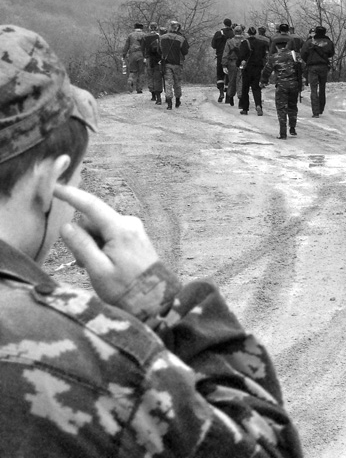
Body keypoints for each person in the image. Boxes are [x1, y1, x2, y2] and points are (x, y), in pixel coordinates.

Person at [0, 24, 303, 457]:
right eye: (78, 176)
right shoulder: (84, 353)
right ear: (49, 183)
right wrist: (160, 302)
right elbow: (268, 447)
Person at [261, 37, 304, 139]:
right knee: (292, 106)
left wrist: (263, 81)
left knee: (281, 109)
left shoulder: (274, 57)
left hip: (281, 85)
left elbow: (267, 71)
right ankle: (292, 128)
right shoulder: (295, 55)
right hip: (294, 84)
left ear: (276, 46)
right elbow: (303, 67)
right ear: (286, 45)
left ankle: (283, 133)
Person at [300, 25, 335, 118]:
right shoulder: (328, 42)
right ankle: (321, 108)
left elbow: (303, 54)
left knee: (313, 89)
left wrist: (308, 60)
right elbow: (331, 53)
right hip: (323, 67)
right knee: (322, 88)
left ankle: (315, 112)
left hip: (312, 67)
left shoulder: (309, 42)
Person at [159, 20, 189, 110]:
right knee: (177, 82)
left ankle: (169, 103)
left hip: (166, 63)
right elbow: (185, 51)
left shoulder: (162, 37)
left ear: (169, 27)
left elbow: (159, 50)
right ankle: (178, 100)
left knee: (168, 82)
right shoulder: (181, 38)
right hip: (178, 63)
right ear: (177, 27)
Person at [240, 26, 267, 116]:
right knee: (256, 88)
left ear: (248, 33)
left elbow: (241, 56)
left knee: (245, 88)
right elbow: (263, 55)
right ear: (255, 33)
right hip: (257, 68)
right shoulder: (261, 43)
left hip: (247, 68)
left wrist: (238, 64)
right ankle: (258, 105)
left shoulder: (244, 43)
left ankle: (245, 109)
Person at [211, 18, 235, 102]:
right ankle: (228, 96)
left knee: (220, 75)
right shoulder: (234, 34)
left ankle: (221, 93)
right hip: (231, 58)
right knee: (229, 76)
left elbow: (213, 45)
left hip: (220, 56)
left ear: (224, 24)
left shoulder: (219, 33)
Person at [222, 25, 246, 107]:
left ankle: (231, 97)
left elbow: (225, 53)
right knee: (241, 82)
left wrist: (224, 65)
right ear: (241, 32)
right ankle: (240, 100)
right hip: (242, 63)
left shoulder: (229, 42)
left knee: (231, 81)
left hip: (232, 63)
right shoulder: (244, 41)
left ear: (234, 32)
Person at [121, 22, 146, 94]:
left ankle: (130, 81)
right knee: (141, 72)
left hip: (132, 55)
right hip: (141, 54)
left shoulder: (130, 35)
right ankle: (139, 88)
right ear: (141, 28)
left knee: (132, 71)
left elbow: (126, 46)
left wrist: (123, 55)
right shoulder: (144, 35)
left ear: (135, 28)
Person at [142, 22, 162, 104]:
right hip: (158, 59)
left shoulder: (145, 37)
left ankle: (153, 94)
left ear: (150, 28)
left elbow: (142, 48)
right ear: (157, 28)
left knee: (150, 76)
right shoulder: (159, 36)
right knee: (157, 77)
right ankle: (158, 96)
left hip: (148, 58)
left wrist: (144, 58)